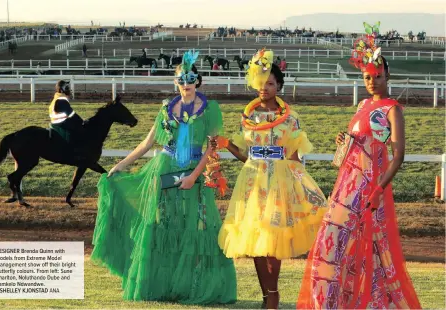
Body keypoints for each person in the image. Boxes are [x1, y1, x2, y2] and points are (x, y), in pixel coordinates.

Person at [91, 50, 237, 305]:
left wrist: (193, 176)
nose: (186, 83)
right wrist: (122, 164)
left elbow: (212, 147)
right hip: (164, 171)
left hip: (195, 173)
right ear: (175, 82)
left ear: (198, 80)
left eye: (191, 78)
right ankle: (165, 285)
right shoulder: (166, 109)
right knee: (165, 225)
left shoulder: (210, 109)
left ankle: (192, 286)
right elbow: (148, 143)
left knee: (197, 226)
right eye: (181, 79)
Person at [297, 22, 422, 309]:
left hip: (368, 187)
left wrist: (379, 190)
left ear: (387, 75)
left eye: (377, 76)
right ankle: (332, 301)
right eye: (367, 77)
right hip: (345, 185)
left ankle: (369, 301)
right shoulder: (362, 105)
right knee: (332, 240)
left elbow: (398, 154)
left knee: (366, 246)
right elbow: (357, 143)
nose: (372, 81)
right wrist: (344, 139)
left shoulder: (392, 109)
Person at [210, 49, 327, 309]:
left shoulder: (291, 118)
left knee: (274, 239)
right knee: (256, 240)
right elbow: (246, 154)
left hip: (280, 183)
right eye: (262, 82)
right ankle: (267, 295)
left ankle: (272, 296)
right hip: (253, 182)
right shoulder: (248, 117)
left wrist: (304, 187)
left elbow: (295, 156)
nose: (265, 87)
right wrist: (226, 144)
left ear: (279, 86)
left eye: (271, 83)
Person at [49, 80, 86, 154]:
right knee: (77, 128)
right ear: (62, 90)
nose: (69, 90)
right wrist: (82, 121)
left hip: (58, 120)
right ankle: (72, 150)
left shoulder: (58, 97)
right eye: (67, 88)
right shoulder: (61, 100)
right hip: (60, 122)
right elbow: (71, 114)